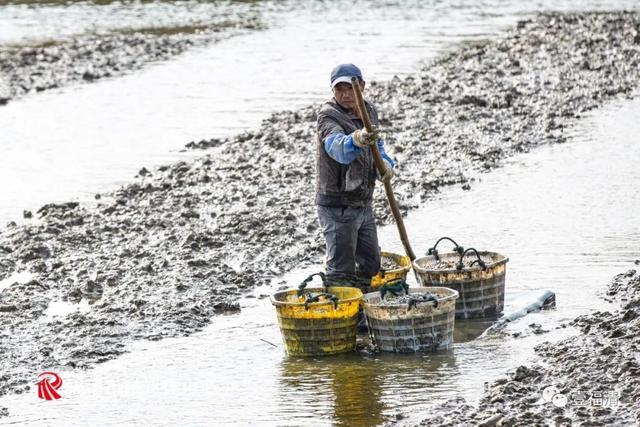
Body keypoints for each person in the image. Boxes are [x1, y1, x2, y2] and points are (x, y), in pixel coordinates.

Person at [315, 63, 396, 282]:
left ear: (362, 86)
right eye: (340, 89)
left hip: (362, 201)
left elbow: (377, 149)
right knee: (341, 270)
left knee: (370, 265)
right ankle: (340, 308)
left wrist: (386, 166)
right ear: (333, 91)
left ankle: (363, 303)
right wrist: (356, 139)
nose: (346, 94)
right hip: (337, 205)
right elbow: (337, 149)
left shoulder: (368, 110)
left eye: (351, 88)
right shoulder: (328, 116)